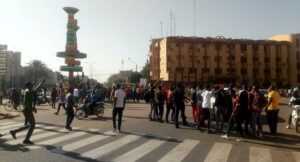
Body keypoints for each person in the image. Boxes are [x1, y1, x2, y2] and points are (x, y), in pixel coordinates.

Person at [10, 80, 44, 145]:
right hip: (27, 110)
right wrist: (31, 109)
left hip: (26, 110)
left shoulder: (28, 91)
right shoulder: (28, 91)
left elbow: (35, 89)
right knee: (33, 125)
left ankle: (14, 132)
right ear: (28, 86)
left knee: (30, 125)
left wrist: (40, 83)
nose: (32, 86)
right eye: (31, 85)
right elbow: (27, 103)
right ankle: (26, 139)